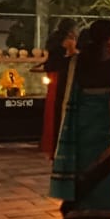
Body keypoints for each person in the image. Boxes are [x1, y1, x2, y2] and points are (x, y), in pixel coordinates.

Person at [49, 21, 110, 219]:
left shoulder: (76, 62)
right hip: (105, 123)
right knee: (107, 168)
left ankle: (75, 212)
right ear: (108, 39)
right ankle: (106, 215)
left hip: (81, 123)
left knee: (84, 166)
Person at [39, 19, 79, 160]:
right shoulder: (68, 41)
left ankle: (50, 144)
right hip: (62, 78)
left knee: (52, 110)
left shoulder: (53, 40)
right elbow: (73, 56)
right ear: (70, 30)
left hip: (53, 77)